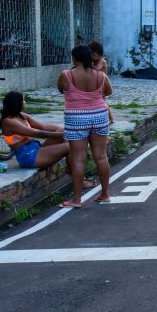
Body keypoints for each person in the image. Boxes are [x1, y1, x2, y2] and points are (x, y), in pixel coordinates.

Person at [57, 44, 113, 207]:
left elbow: (61, 89)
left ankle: (77, 200)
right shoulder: (101, 76)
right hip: (99, 116)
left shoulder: (66, 75)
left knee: (78, 159)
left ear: (74, 58)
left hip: (76, 118)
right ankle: (105, 194)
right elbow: (108, 92)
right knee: (101, 157)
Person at [89, 40, 114, 125]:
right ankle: (108, 117)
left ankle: (111, 118)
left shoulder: (101, 61)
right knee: (102, 101)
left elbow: (96, 69)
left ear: (95, 54)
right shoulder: (95, 61)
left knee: (103, 101)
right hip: (97, 83)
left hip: (102, 84)